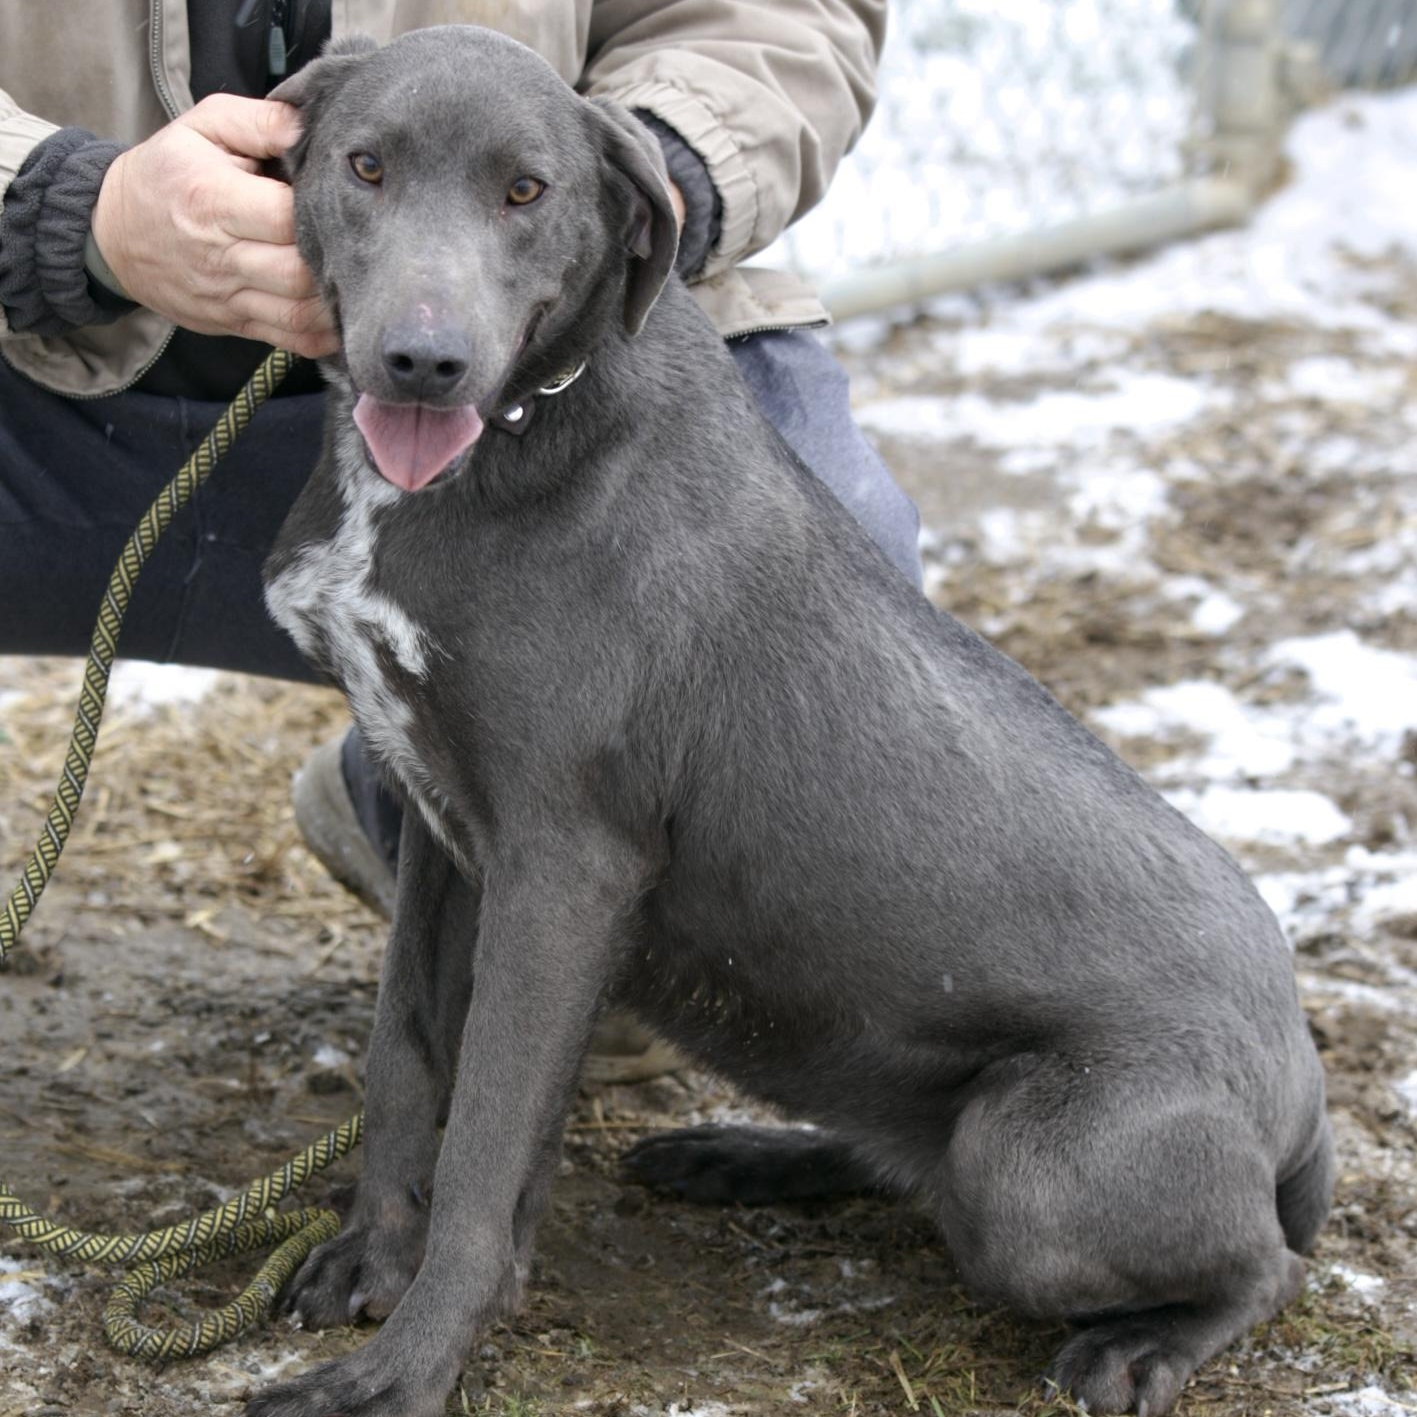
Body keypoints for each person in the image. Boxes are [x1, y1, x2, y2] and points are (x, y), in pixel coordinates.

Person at [0, 2, 921, 1069]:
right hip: (33, 383)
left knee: (826, 563)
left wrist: (607, 181)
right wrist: (61, 208)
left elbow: (770, 18)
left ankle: (490, 840)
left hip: (520, 396)